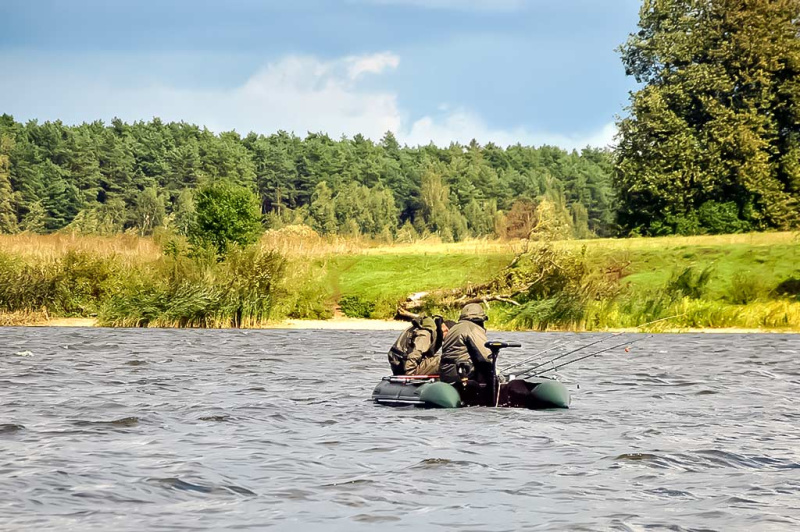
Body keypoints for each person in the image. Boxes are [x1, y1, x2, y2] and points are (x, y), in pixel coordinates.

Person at [439, 303, 493, 386]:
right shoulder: (473, 328)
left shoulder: (455, 327)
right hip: (462, 375)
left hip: (446, 374)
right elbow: (486, 357)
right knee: (488, 371)